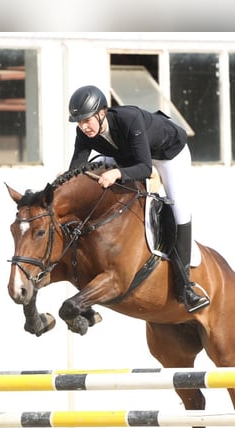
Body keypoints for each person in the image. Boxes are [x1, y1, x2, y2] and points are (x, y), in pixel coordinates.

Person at [67, 84, 210, 313]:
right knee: (93, 171)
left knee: (179, 211)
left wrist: (117, 173)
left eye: (87, 120)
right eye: (79, 122)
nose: (84, 126)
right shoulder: (84, 133)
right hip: (129, 155)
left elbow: (145, 168)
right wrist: (63, 180)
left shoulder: (129, 119)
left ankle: (186, 288)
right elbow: (76, 168)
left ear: (101, 112)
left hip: (168, 155)